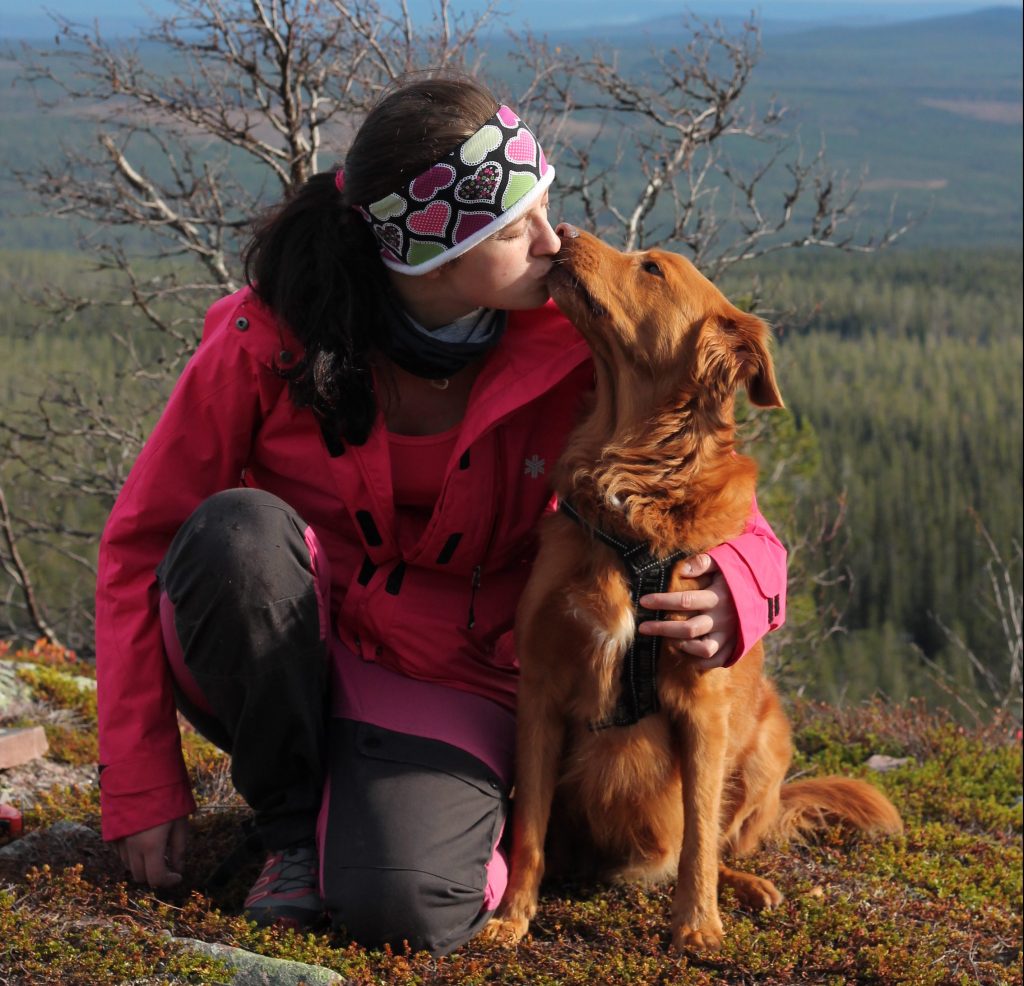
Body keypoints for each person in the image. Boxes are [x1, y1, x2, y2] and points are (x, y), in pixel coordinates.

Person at [94, 74, 788, 956]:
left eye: (546, 205)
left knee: (410, 908)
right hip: (283, 656)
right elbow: (138, 545)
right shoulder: (266, 337)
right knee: (236, 536)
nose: (556, 238)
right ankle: (289, 826)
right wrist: (143, 785)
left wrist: (741, 584)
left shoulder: (575, 339)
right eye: (515, 228)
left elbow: (717, 495)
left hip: (453, 682)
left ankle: (403, 821)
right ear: (430, 256)